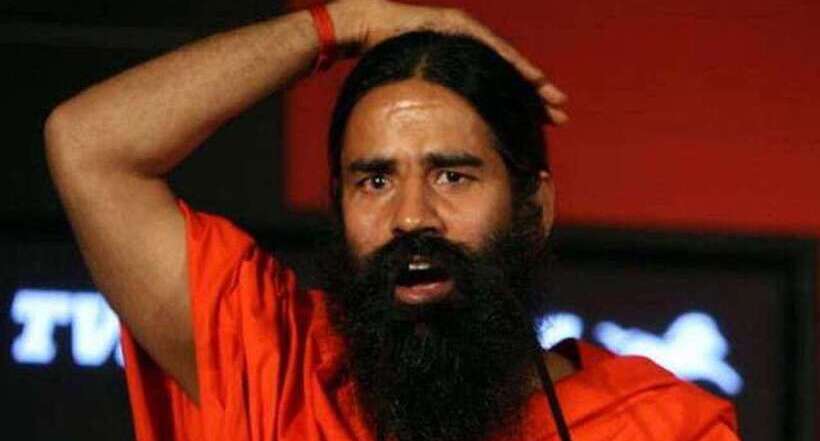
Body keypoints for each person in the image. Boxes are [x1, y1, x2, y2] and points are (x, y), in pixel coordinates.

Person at [44, 0, 740, 440]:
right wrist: (340, 24)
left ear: (534, 209)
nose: (411, 215)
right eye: (374, 180)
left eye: (452, 175)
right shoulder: (277, 369)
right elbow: (89, 146)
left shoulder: (660, 428)